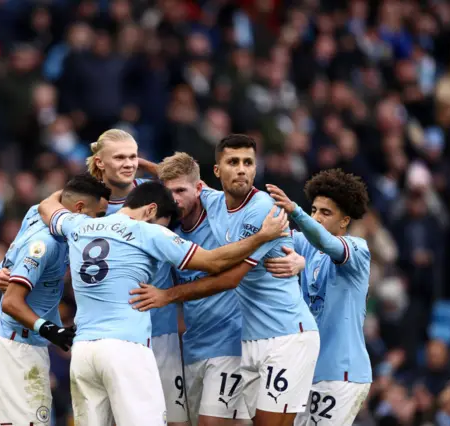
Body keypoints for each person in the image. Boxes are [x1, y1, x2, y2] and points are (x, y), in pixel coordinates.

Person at [37, 180, 289, 426]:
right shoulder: (148, 231)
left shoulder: (78, 225)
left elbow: (47, 205)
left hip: (83, 353)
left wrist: (78, 185)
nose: (166, 231)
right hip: (125, 348)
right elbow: (215, 262)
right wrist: (261, 237)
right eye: (165, 225)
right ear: (151, 210)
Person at [130, 134, 319, 426]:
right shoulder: (189, 213)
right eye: (233, 162)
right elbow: (177, 179)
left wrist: (301, 259)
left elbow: (230, 276)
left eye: (247, 163)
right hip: (211, 344)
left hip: (262, 338)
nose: (241, 169)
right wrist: (137, 164)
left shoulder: (259, 209)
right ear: (217, 171)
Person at [0, 173, 111, 426]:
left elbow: (11, 259)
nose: (99, 224)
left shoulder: (35, 212)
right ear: (79, 209)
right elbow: (11, 302)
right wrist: (49, 329)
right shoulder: (46, 244)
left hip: (13, 343)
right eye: (98, 216)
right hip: (19, 347)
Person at [86, 128, 187, 425]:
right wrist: (4, 269)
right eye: (120, 157)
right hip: (112, 334)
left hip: (161, 328)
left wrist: (145, 165)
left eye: (133, 156)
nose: (129, 163)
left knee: (174, 419)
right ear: (100, 162)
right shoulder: (89, 205)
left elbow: (191, 186)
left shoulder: (152, 192)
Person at [263, 170, 372, 426]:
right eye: (313, 210)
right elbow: (267, 233)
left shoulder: (358, 250)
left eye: (326, 212)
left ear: (344, 221)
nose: (316, 217)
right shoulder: (306, 246)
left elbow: (328, 244)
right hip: (308, 371)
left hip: (342, 373)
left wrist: (296, 212)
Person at [157, 152, 252, 425]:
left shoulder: (222, 218)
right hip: (193, 346)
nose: (174, 199)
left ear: (199, 189)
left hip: (231, 343)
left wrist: (295, 256)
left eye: (181, 190)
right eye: (168, 192)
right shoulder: (167, 233)